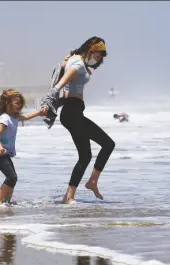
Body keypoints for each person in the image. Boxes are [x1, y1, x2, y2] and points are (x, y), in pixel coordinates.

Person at [40, 36, 115, 204]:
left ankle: (81, 188)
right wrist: (47, 102)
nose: (100, 57)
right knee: (96, 150)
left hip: (74, 112)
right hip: (72, 112)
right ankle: (76, 192)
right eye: (99, 53)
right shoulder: (78, 64)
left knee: (95, 150)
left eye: (102, 55)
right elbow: (59, 85)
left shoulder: (76, 60)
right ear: (91, 48)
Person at [0, 89, 43, 206]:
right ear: (8, 103)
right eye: (17, 103)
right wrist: (0, 147)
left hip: (4, 153)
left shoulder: (14, 116)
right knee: (11, 176)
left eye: (20, 103)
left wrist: (39, 112)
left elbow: (26, 117)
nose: (20, 105)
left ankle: (7, 201)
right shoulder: (5, 118)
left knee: (13, 178)